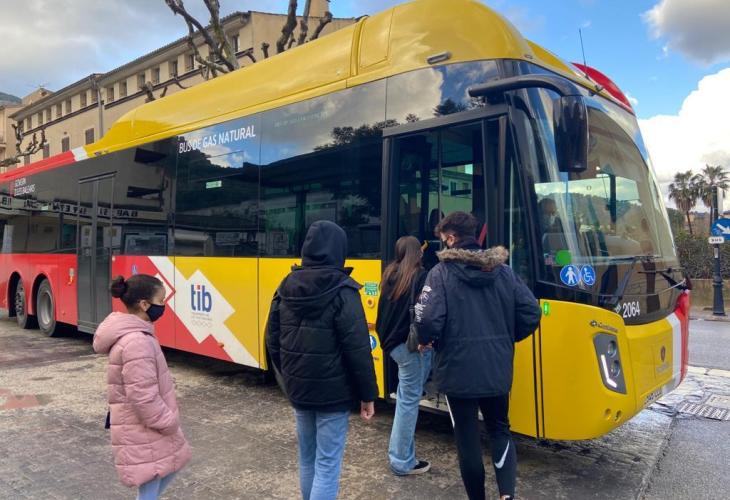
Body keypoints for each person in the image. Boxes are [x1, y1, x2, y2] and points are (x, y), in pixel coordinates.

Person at [415, 211, 542, 500]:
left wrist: (425, 340)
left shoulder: (440, 273)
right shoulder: (504, 272)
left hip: (457, 371)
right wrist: (505, 340)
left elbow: (427, 320)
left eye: (443, 238)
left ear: (451, 238)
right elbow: (531, 313)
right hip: (496, 368)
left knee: (467, 437)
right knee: (500, 429)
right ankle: (506, 495)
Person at [265, 220, 378, 500]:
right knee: (327, 464)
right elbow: (358, 349)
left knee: (307, 458)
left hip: (299, 390)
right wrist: (367, 395)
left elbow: (272, 340)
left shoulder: (285, 287)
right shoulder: (344, 292)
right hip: (334, 394)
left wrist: (288, 376)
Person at [93, 274, 191, 500]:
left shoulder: (136, 335)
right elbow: (142, 396)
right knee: (152, 478)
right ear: (145, 304)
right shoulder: (137, 341)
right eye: (161, 301)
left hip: (140, 424)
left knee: (165, 468)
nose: (163, 306)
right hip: (144, 426)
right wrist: (168, 421)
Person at [376, 236, 431, 476]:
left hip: (393, 346)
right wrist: (426, 339)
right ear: (418, 253)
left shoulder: (390, 274)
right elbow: (427, 314)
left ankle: (403, 456)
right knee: (408, 402)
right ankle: (401, 461)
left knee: (406, 397)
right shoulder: (420, 276)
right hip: (410, 347)